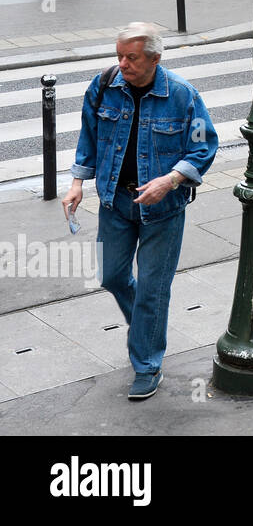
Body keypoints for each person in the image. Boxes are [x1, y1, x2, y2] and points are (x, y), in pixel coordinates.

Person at [63, 22, 219, 399]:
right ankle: (146, 330)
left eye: (131, 57)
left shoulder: (183, 96)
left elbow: (203, 148)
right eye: (119, 55)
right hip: (114, 202)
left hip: (163, 209)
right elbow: (89, 134)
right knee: (111, 276)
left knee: (152, 288)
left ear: (154, 58)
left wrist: (171, 179)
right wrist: (77, 182)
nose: (123, 64)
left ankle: (147, 364)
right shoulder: (104, 85)